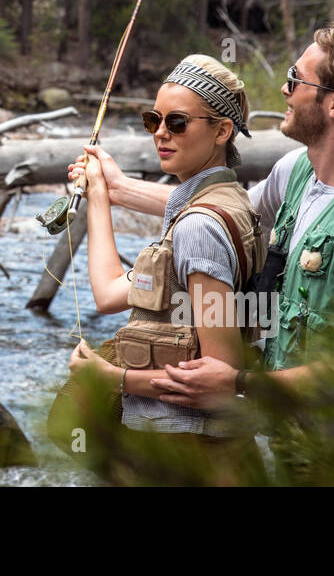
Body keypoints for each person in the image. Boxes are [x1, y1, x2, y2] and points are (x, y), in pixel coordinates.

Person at [71, 25, 334, 411]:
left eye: (296, 80)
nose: (284, 90)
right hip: (288, 444)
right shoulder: (296, 172)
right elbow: (218, 209)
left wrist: (238, 383)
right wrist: (116, 188)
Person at [49, 54, 266, 452]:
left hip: (192, 452)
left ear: (222, 131)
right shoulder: (225, 202)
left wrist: (111, 378)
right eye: (154, 120)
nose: (161, 133)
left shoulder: (199, 228)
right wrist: (100, 193)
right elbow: (110, 294)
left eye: (177, 122)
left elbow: (220, 376)